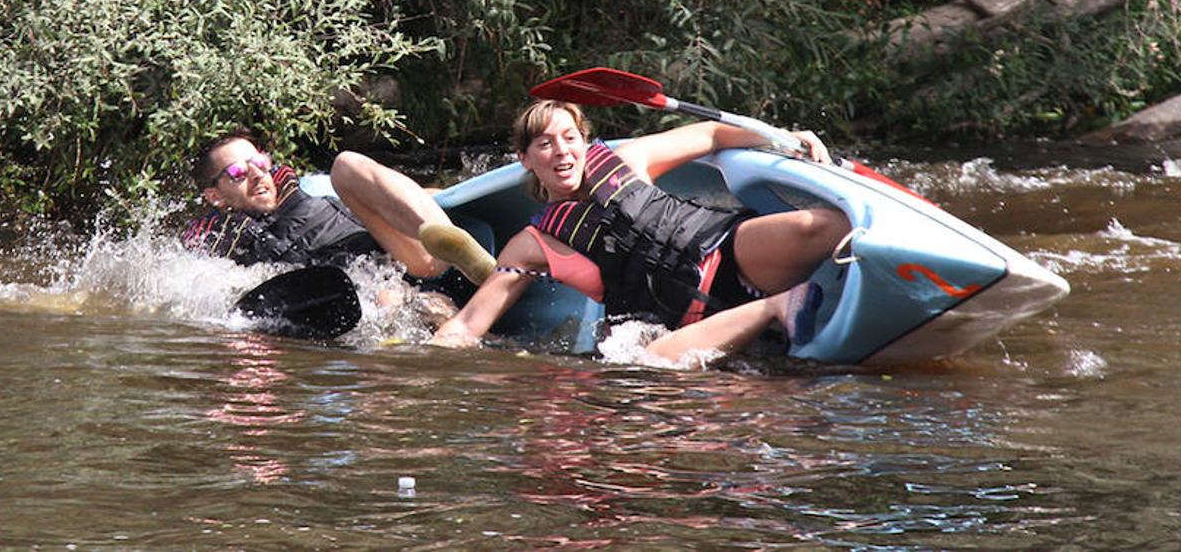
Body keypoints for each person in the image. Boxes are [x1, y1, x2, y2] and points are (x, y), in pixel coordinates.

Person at [425, 100, 852, 364]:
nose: (561, 151)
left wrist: (780, 139)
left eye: (569, 137)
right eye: (544, 144)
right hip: (678, 324)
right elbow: (469, 325)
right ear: (525, 159)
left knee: (823, 226)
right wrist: (423, 360)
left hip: (724, 253)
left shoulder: (628, 159)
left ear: (586, 142)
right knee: (643, 364)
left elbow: (711, 133)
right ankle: (778, 309)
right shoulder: (531, 245)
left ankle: (864, 284)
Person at [183, 128, 494, 290]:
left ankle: (450, 241)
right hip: (369, 291)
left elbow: (385, 193)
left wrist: (445, 198)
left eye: (260, 162)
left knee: (346, 163)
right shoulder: (224, 243)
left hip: (413, 256)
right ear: (215, 197)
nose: (257, 174)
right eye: (238, 173)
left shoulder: (311, 190)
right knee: (391, 298)